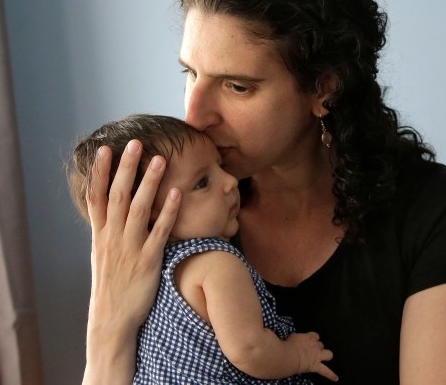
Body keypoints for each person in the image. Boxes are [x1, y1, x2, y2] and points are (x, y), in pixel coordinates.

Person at [81, 0, 446, 383]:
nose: (195, 117)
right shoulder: (174, 205)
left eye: (237, 86)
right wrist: (107, 327)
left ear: (325, 87)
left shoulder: (436, 213)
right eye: (191, 73)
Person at [68, 114, 338, 384]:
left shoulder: (146, 274)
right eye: (202, 183)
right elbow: (249, 350)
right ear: (149, 214)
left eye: (219, 166)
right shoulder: (217, 264)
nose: (230, 181)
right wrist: (298, 355)